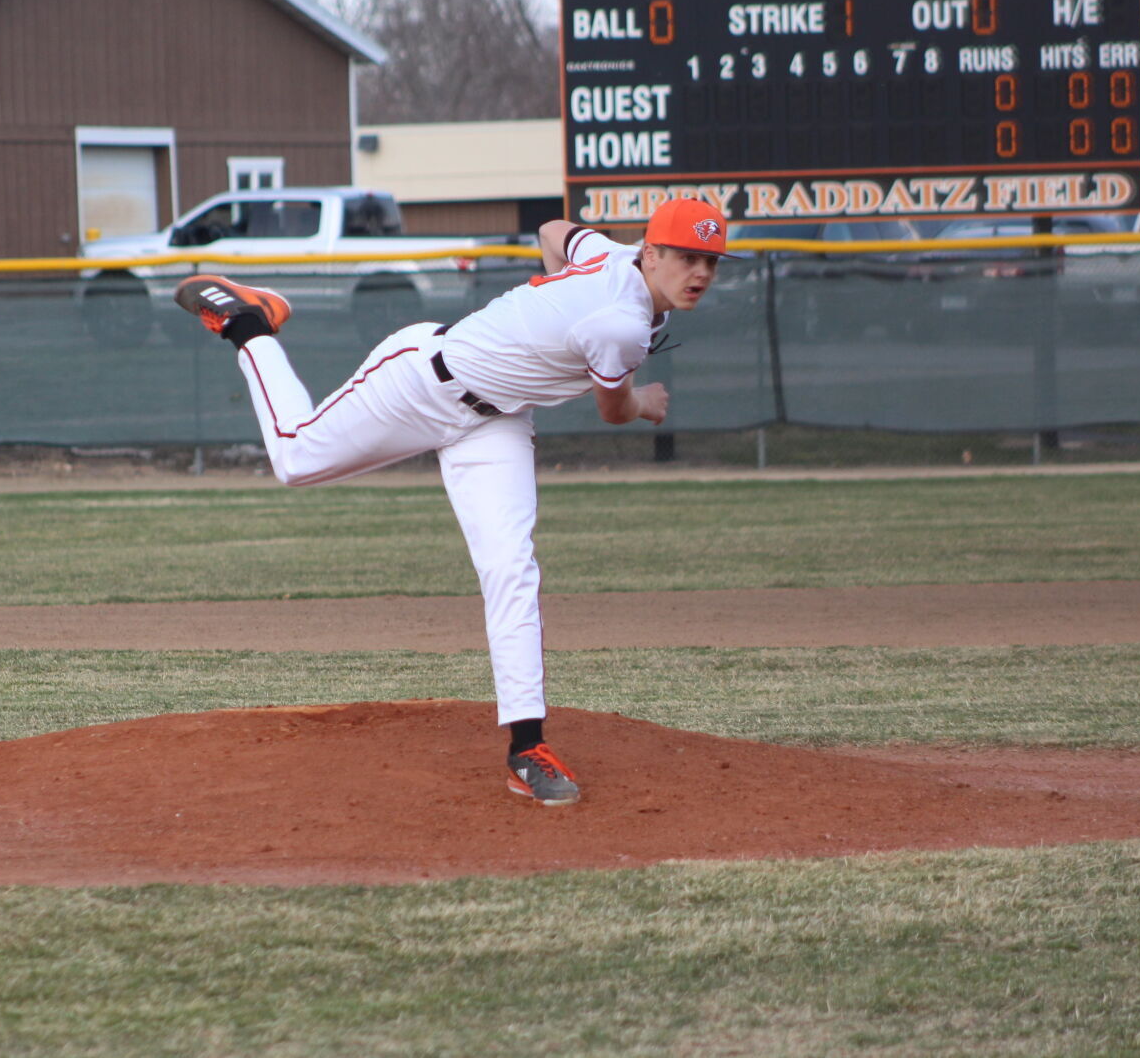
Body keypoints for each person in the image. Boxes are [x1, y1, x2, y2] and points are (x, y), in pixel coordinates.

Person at [172, 197, 727, 805]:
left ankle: (526, 747)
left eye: (710, 260)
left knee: (511, 568)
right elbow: (615, 409)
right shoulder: (620, 322)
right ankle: (249, 323)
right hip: (421, 382)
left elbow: (552, 231)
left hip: (498, 422)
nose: (699, 272)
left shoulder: (606, 254)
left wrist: (544, 304)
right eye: (685, 256)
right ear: (650, 253)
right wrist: (644, 401)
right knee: (295, 459)